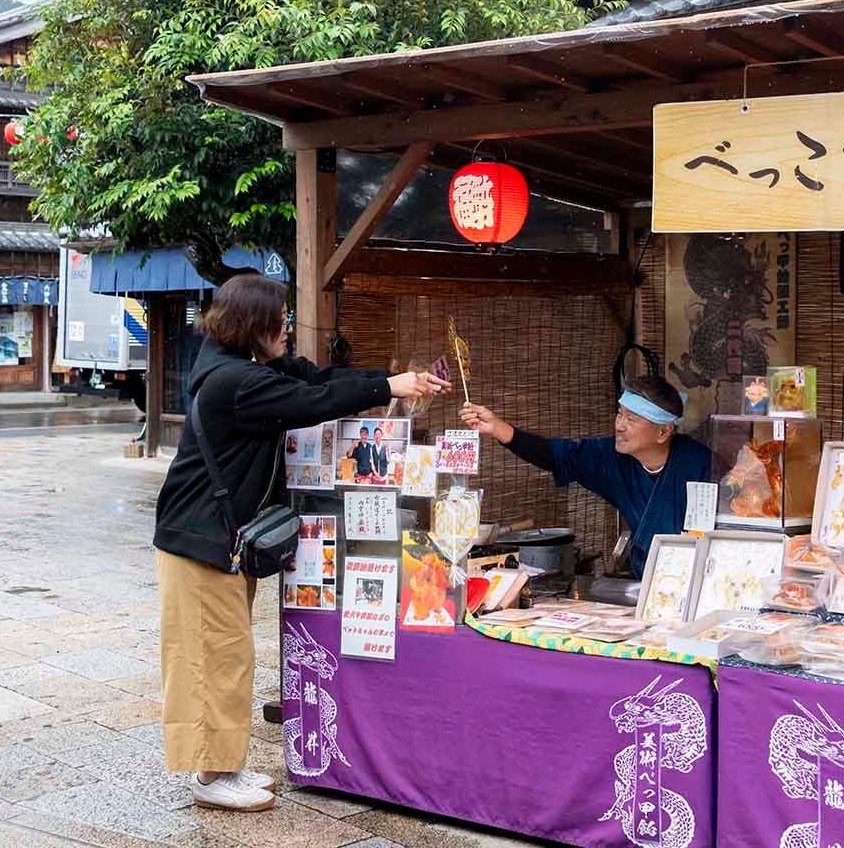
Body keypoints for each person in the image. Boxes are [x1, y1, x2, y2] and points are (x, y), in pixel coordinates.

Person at [154, 273, 448, 812]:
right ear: (253, 325)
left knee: (225, 654)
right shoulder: (235, 381)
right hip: (199, 540)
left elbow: (318, 378)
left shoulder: (244, 367)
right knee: (215, 658)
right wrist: (389, 388)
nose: (288, 327)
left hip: (216, 538)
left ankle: (221, 766)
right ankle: (212, 776)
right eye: (280, 320)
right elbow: (313, 401)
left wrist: (392, 379)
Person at [460, 374, 710, 577]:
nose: (619, 425)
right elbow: (558, 455)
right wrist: (498, 428)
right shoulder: (613, 459)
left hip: (698, 581)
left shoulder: (701, 465)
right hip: (647, 586)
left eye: (631, 419)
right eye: (620, 413)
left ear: (663, 432)